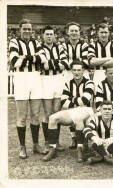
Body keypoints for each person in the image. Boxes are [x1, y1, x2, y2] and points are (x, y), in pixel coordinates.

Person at [9, 19, 47, 159]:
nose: (27, 31)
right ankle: (22, 147)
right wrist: (33, 58)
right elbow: (14, 62)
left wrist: (24, 57)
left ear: (32, 30)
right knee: (22, 116)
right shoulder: (14, 42)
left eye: (29, 29)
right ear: (20, 29)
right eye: (24, 29)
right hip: (21, 79)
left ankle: (36, 145)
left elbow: (43, 59)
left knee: (36, 114)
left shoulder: (36, 42)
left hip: (35, 77)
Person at [40, 25, 68, 153]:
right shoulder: (39, 48)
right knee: (47, 113)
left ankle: (55, 141)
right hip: (45, 80)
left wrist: (51, 63)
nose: (49, 36)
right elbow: (43, 66)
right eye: (47, 34)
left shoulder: (60, 47)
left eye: (51, 34)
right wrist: (56, 63)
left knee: (56, 113)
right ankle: (47, 142)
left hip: (58, 79)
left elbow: (64, 64)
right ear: (43, 35)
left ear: (54, 36)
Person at [59, 60, 94, 155]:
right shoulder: (68, 84)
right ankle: (75, 139)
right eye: (74, 70)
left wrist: (71, 99)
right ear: (71, 71)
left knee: (78, 115)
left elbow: (85, 101)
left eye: (79, 70)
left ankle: (84, 142)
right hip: (74, 110)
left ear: (83, 70)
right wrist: (77, 101)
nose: (77, 72)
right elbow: (63, 102)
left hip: (87, 111)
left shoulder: (89, 83)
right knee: (71, 111)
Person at [83, 101, 113, 166]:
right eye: (104, 109)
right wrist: (95, 138)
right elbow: (86, 129)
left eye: (109, 109)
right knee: (92, 132)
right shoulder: (96, 119)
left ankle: (100, 157)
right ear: (100, 110)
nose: (107, 111)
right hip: (100, 144)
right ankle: (107, 157)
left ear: (112, 110)